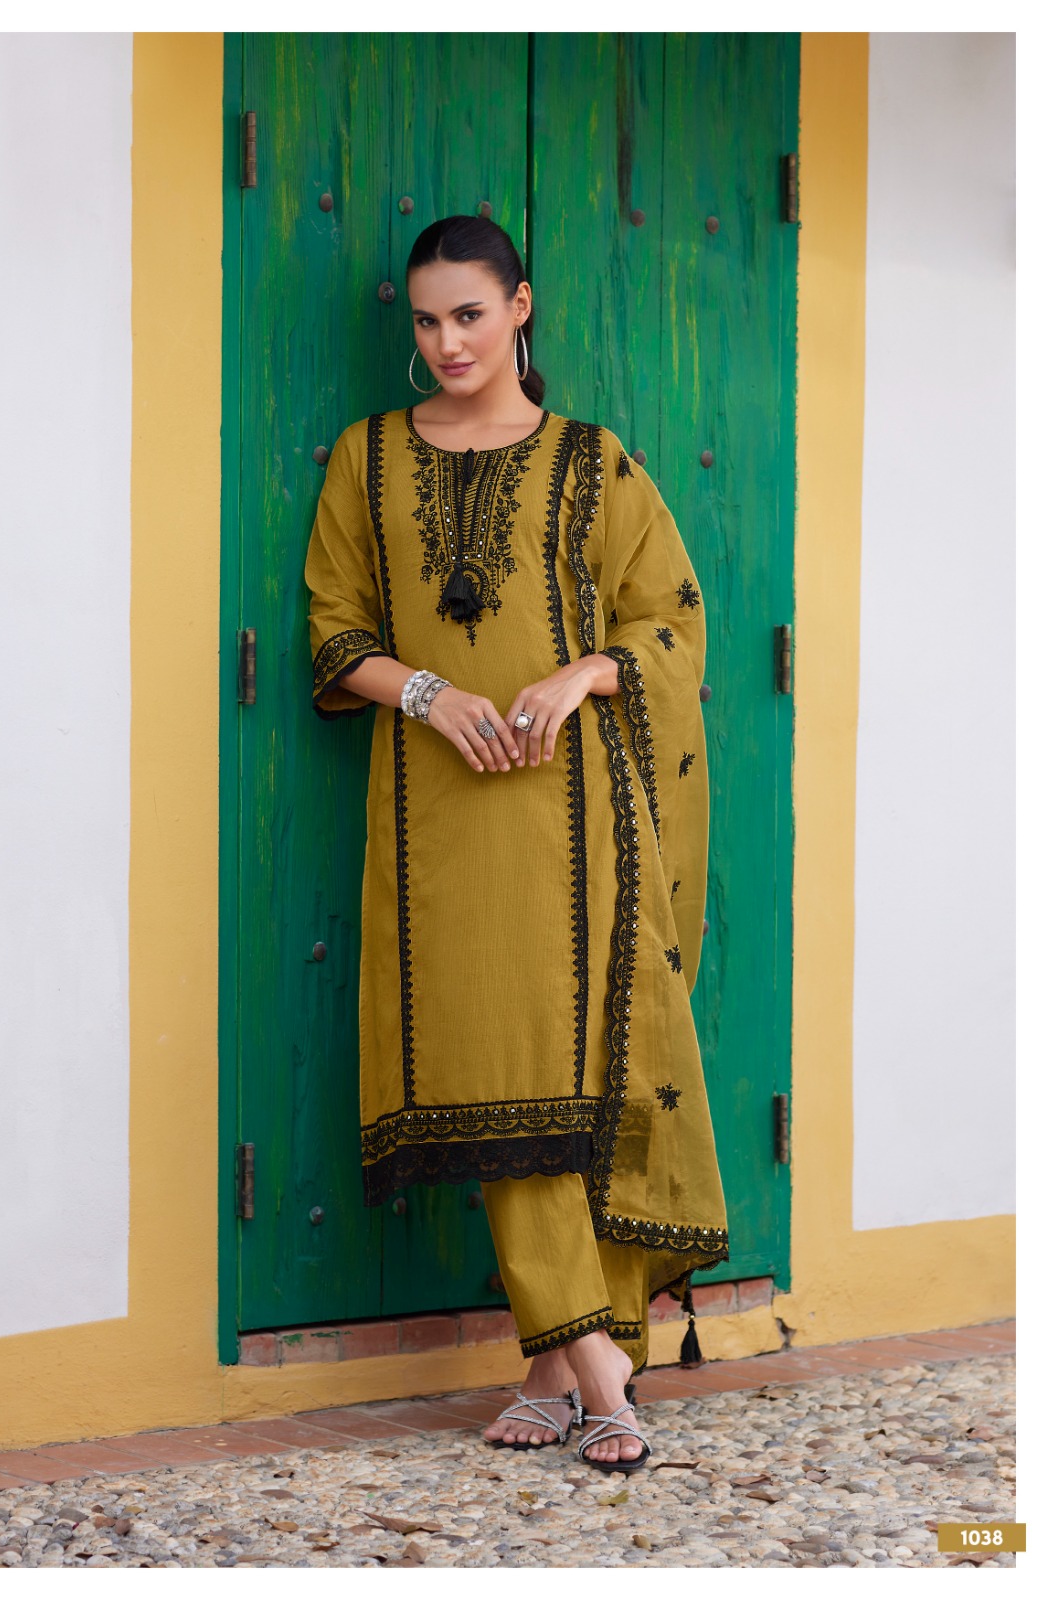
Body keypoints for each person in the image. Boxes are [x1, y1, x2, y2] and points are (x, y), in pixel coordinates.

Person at [304, 215, 728, 1473]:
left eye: (469, 315)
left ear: (520, 307)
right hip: (439, 820)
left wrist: (582, 674)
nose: (446, 341)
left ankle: (557, 1367)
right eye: (426, 319)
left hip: (579, 809)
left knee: (591, 1080)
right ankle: (603, 1372)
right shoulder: (368, 457)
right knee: (498, 1077)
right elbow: (334, 629)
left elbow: (671, 618)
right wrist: (427, 693)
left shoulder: (592, 461)